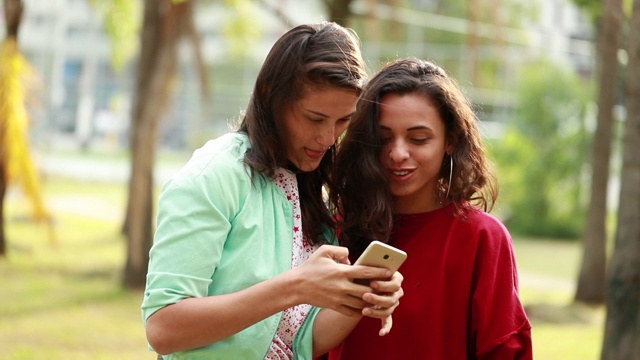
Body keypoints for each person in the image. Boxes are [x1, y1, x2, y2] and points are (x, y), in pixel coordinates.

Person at [141, 22, 404, 360]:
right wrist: (296, 287)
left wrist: (359, 297)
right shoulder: (214, 176)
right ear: (270, 94)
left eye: (342, 121)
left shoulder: (305, 185)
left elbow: (297, 344)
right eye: (314, 118)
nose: (328, 138)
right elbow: (163, 328)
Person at [327, 57, 532, 359]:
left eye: (418, 139)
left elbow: (504, 349)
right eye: (383, 139)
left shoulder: (483, 239)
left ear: (450, 140)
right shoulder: (338, 229)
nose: (397, 153)